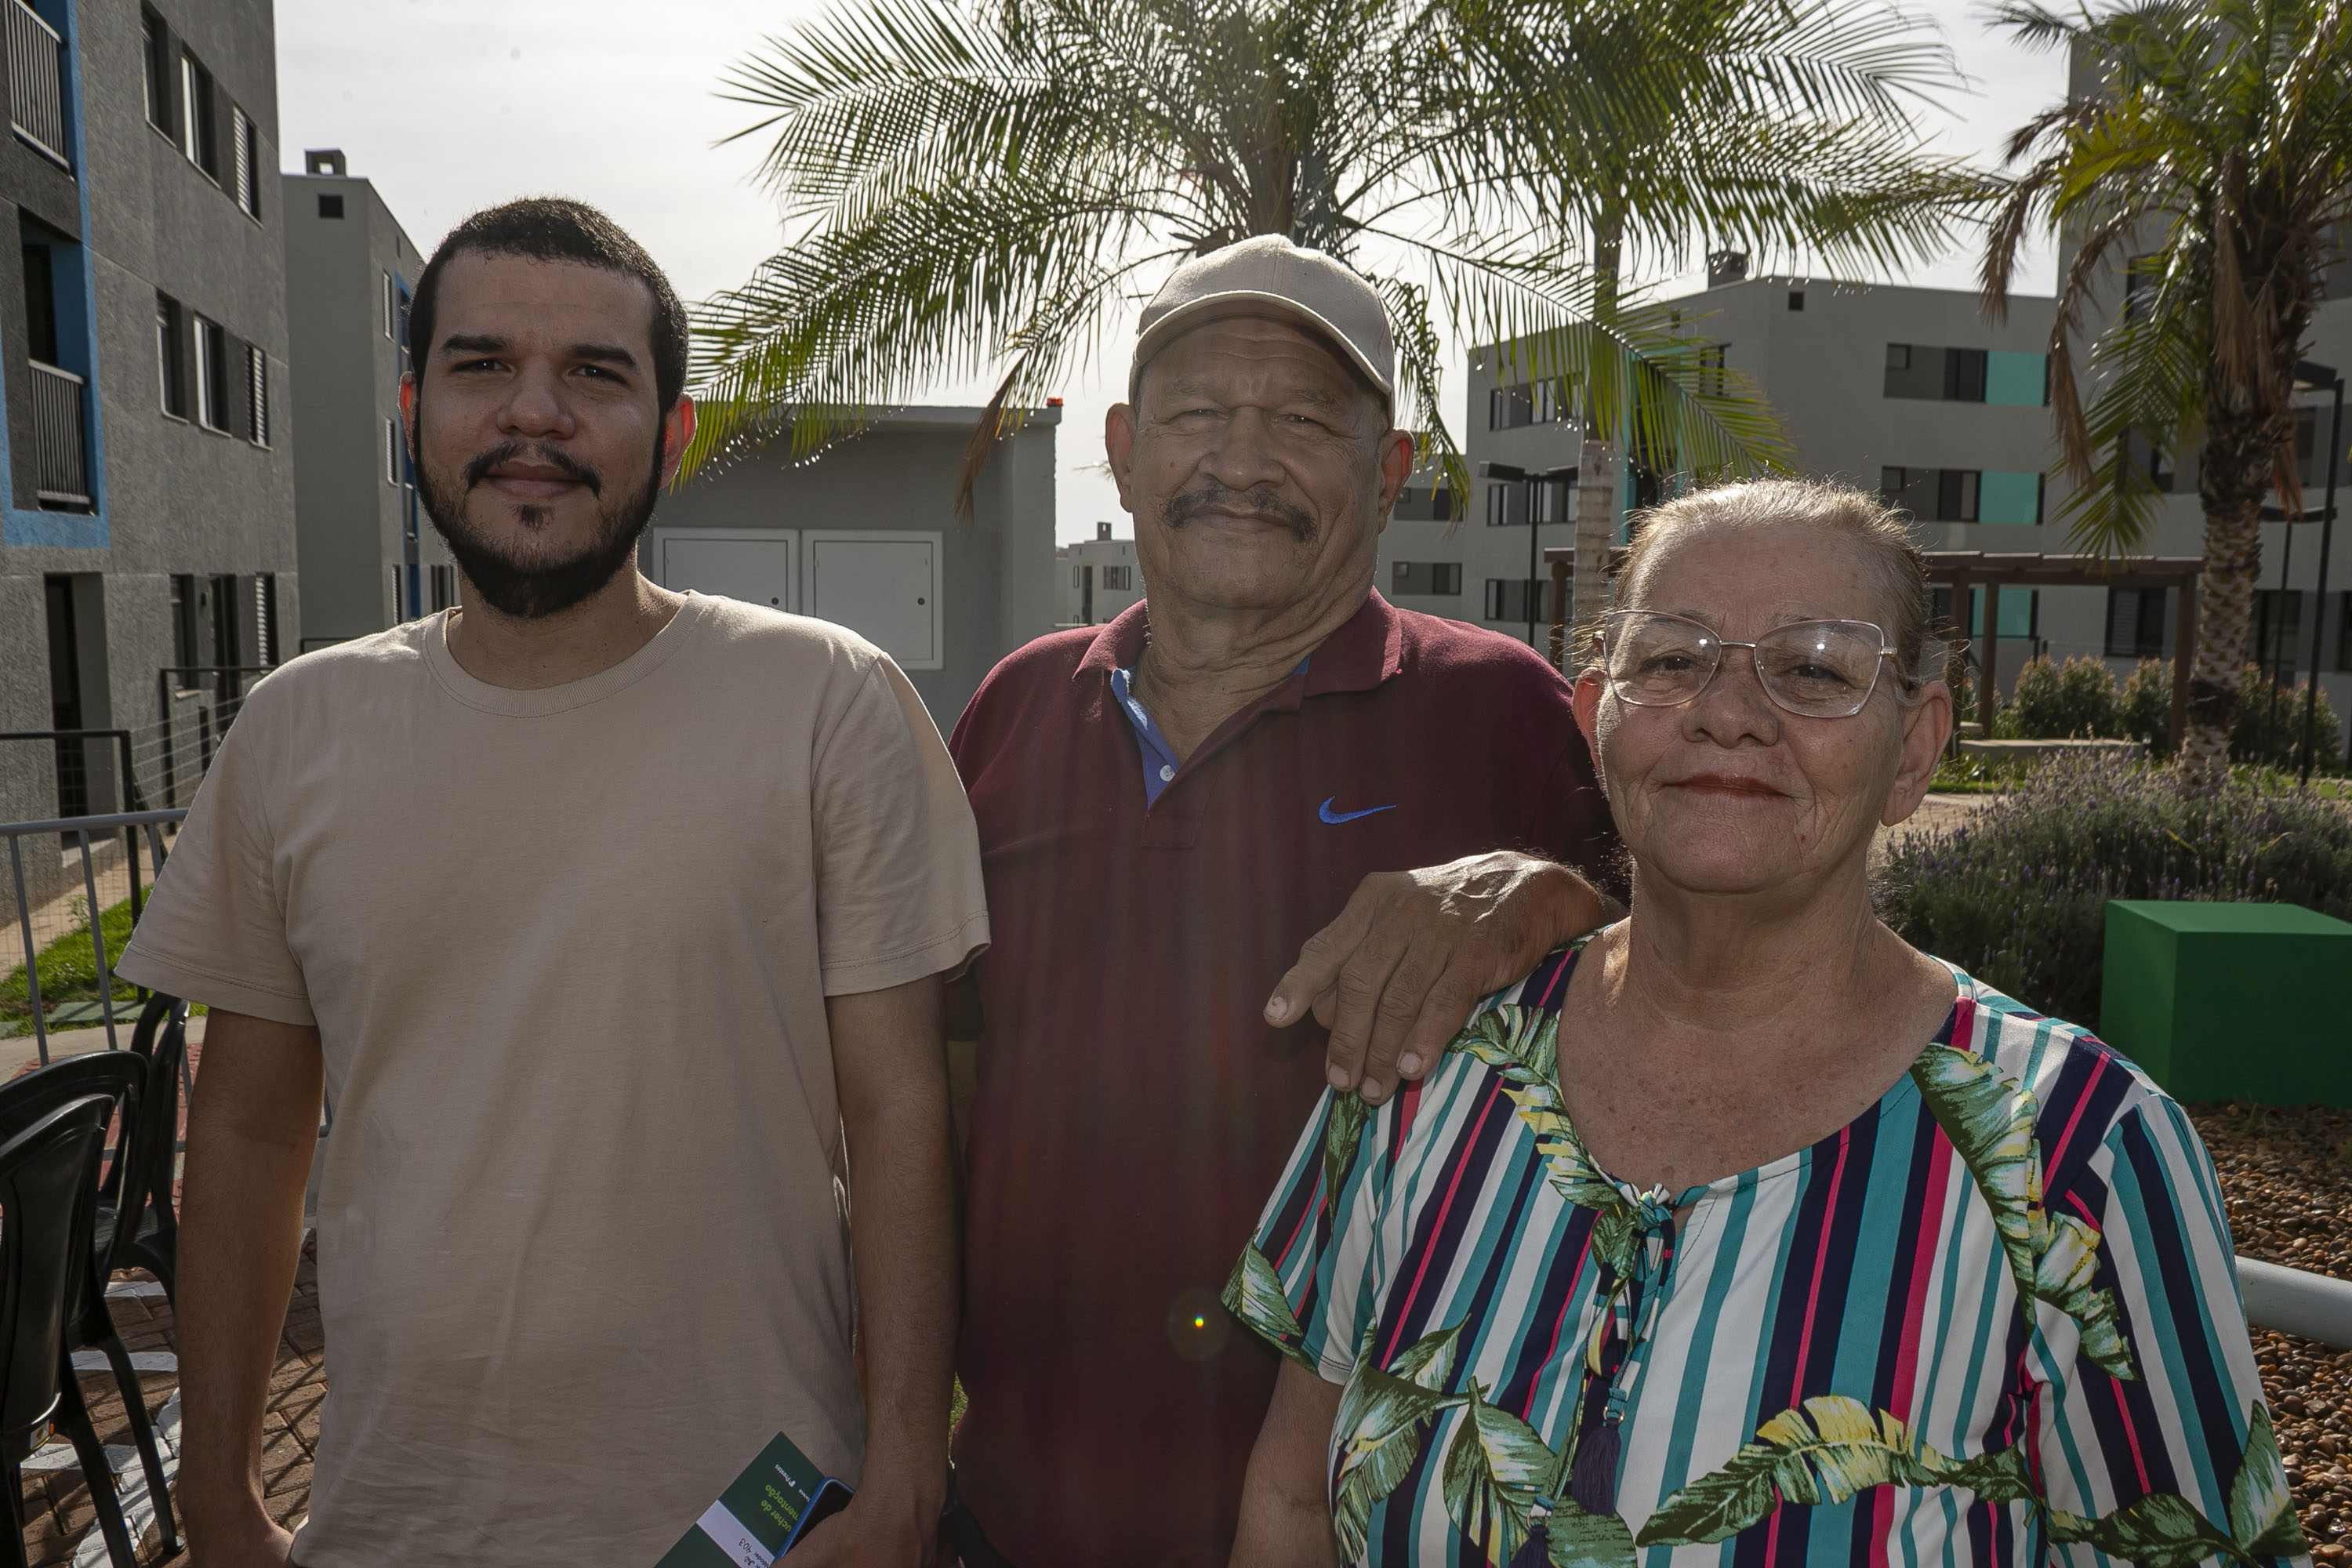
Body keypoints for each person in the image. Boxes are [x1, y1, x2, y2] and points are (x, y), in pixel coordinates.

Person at [120, 199, 984, 1568]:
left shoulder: (827, 702)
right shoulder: (296, 731)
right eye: (482, 365)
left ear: (674, 433)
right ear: (414, 411)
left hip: (760, 1523)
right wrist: (218, 1498)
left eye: (595, 372)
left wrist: (902, 1486)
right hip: (398, 1524)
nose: (537, 412)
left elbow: (899, 1117)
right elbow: (244, 1135)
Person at [1229, 479, 2301, 1567]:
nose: (1728, 712)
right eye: (1672, 660)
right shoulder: (1428, 1057)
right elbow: (1293, 1500)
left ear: (1915, 750)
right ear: (1596, 723)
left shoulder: (2084, 1155)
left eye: (1814, 669)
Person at [944, 235, 1622, 1566]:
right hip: (1014, 1506)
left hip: (1357, 1526)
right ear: (1125, 451)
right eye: (1198, 413)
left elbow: (1694, 993)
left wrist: (1546, 895)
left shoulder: (1499, 710)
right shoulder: (1018, 705)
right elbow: (940, 1082)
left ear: (1391, 469)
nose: (1241, 461)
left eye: (1305, 422)